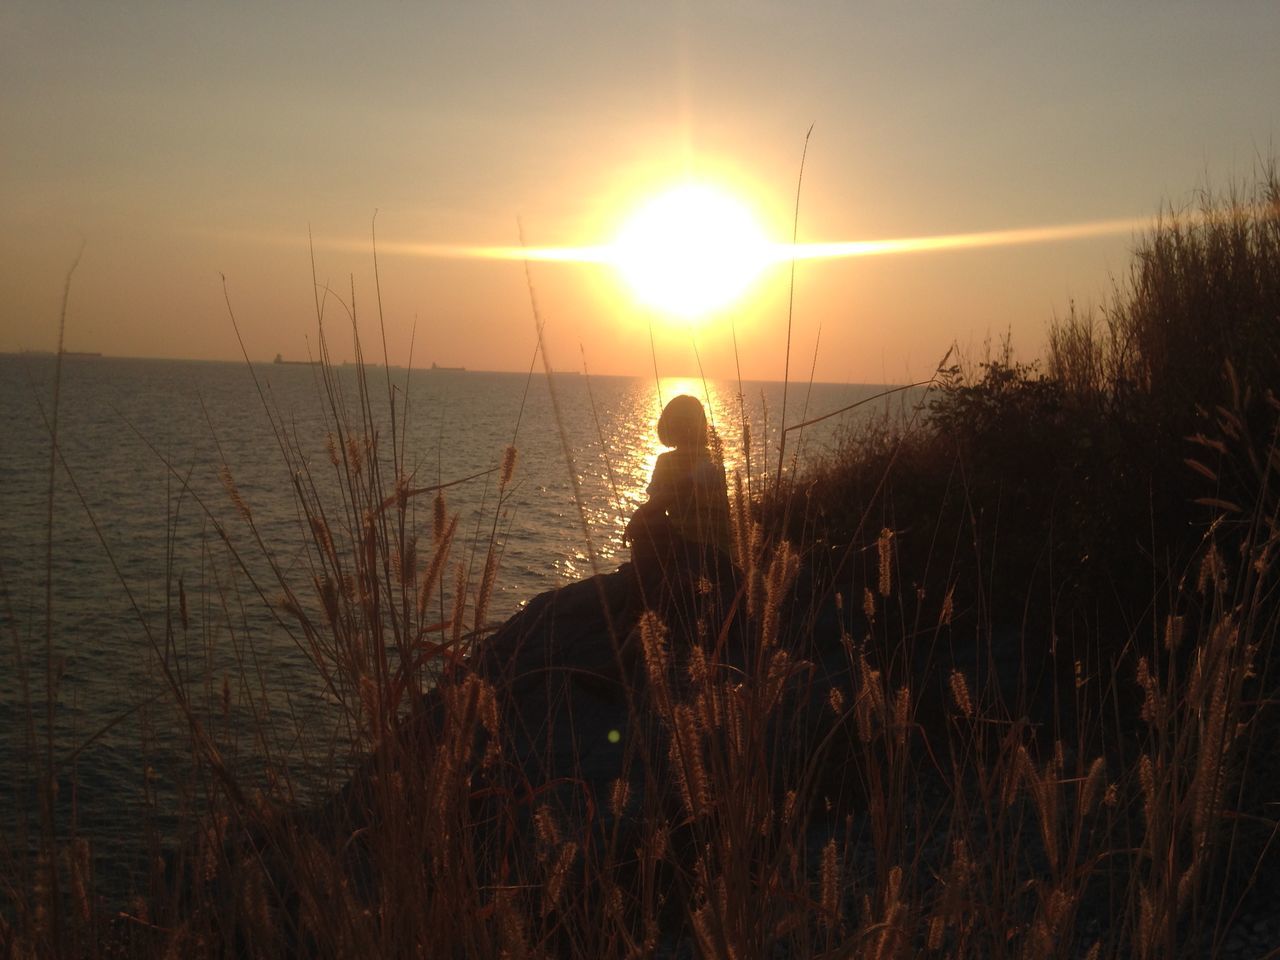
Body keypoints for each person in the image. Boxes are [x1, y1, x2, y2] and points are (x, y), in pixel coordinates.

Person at [625, 395, 732, 596]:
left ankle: (637, 592)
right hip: (721, 549)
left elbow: (659, 502)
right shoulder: (714, 460)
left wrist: (635, 520)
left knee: (647, 523)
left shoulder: (667, 461)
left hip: (690, 547)